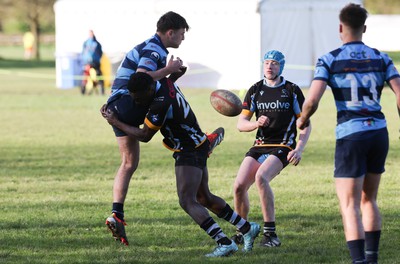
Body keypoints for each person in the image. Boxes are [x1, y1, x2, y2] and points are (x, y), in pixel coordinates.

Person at [101, 71, 261, 257]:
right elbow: (169, 81)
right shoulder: (164, 81)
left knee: (187, 200)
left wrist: (115, 121)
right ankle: (247, 228)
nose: (137, 103)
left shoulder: (159, 104)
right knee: (204, 197)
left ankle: (224, 242)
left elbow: (145, 135)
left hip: (189, 149)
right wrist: (174, 74)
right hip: (197, 143)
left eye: (139, 98)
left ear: (150, 89)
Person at [297, 3, 400, 264]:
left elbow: (312, 100)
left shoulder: (330, 59)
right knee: (370, 199)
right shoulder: (382, 57)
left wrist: (303, 119)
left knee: (349, 204)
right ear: (364, 28)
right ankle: (372, 258)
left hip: (351, 135)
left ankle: (358, 261)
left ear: (341, 28)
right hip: (379, 132)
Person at [102, 11, 191, 246]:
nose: (182, 39)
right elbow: (142, 79)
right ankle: (197, 142)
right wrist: (169, 71)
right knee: (169, 103)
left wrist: (171, 77)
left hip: (117, 106)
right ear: (170, 32)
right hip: (128, 101)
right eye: (181, 34)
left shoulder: (151, 46)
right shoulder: (155, 49)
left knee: (129, 163)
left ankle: (116, 213)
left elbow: (152, 87)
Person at [231, 50, 312, 248]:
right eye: (267, 62)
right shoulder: (255, 90)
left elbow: (306, 123)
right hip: (260, 145)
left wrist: (299, 149)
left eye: (274, 63)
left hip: (283, 145)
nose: (269, 66)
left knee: (261, 177)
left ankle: (271, 235)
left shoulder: (292, 90)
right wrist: (256, 124)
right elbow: (241, 123)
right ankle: (243, 231)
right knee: (239, 186)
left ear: (281, 66)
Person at [81, 30, 104, 94]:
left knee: (99, 77)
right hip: (88, 63)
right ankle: (83, 92)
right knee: (85, 77)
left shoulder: (97, 43)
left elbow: (100, 53)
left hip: (95, 63)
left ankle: (101, 91)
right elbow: (83, 53)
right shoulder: (86, 43)